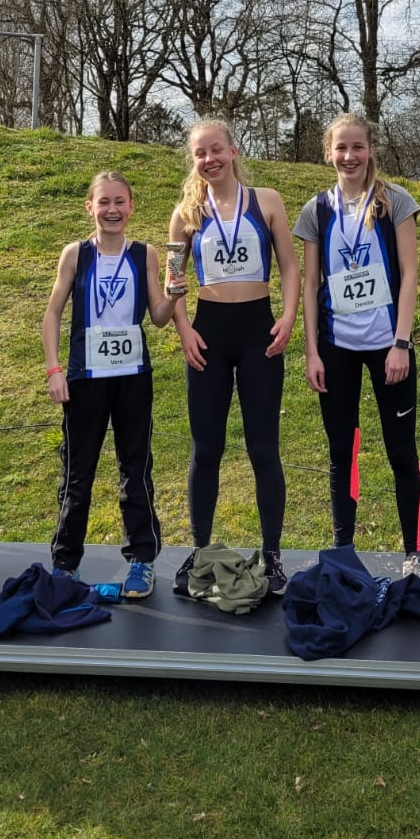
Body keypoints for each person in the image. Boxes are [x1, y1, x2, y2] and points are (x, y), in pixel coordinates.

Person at [167, 120, 301, 597]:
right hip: (208, 335)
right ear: (194, 160)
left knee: (264, 448)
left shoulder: (267, 201)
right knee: (206, 449)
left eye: (216, 150)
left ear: (233, 150)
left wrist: (288, 317)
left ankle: (274, 557)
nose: (210, 160)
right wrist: (183, 329)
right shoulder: (186, 213)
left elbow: (289, 263)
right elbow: (172, 281)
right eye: (200, 154)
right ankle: (200, 551)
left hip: (258, 332)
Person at [293, 113, 420, 576]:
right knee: (341, 451)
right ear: (327, 153)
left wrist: (401, 343)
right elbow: (310, 286)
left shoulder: (396, 201)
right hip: (336, 348)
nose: (349, 157)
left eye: (357, 147)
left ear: (371, 149)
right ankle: (343, 551)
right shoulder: (316, 210)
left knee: (401, 451)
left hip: (388, 345)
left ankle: (413, 553)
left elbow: (409, 275)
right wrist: (311, 351)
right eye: (340, 148)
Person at [42, 170, 184, 598]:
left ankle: (141, 560)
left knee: (135, 470)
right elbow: (52, 315)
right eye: (103, 202)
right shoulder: (75, 254)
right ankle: (65, 564)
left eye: (120, 202)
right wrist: (53, 370)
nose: (112, 210)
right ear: (90, 207)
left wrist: (175, 294)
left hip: (132, 378)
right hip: (85, 378)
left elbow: (157, 317)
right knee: (77, 474)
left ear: (131, 206)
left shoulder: (146, 254)